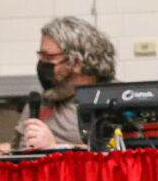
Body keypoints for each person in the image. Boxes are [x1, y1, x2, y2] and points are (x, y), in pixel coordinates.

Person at [16, 16, 115, 150]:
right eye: (41, 56)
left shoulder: (112, 99)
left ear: (77, 61)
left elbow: (119, 154)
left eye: (49, 57)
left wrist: (54, 147)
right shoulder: (40, 101)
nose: (42, 64)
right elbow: (14, 148)